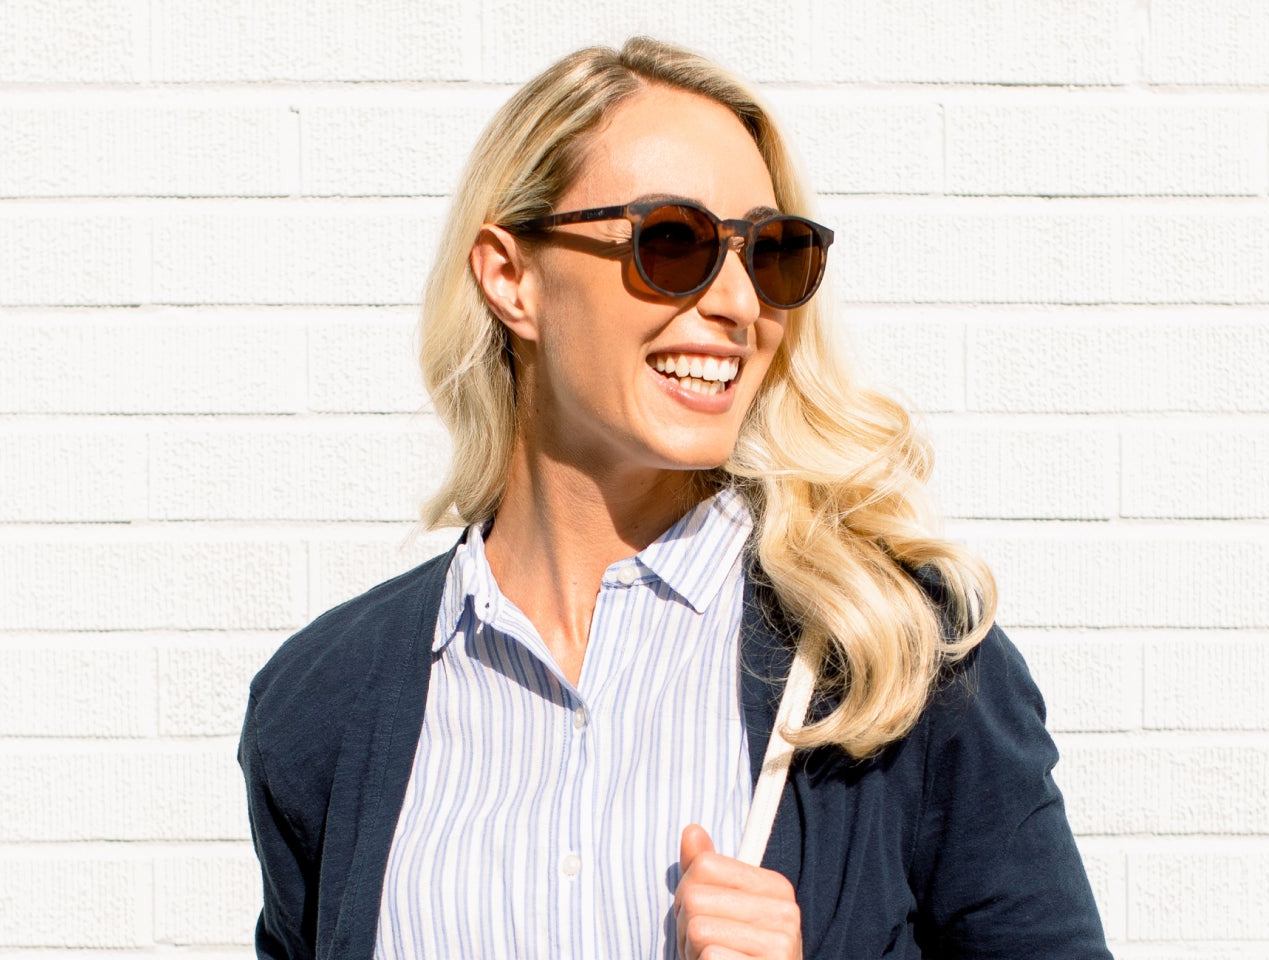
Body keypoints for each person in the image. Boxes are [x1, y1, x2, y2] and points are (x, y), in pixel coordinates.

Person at [239, 37, 1112, 960]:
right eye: (674, 242)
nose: (739, 302)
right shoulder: (321, 707)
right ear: (509, 277)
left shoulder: (895, 657)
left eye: (771, 253)